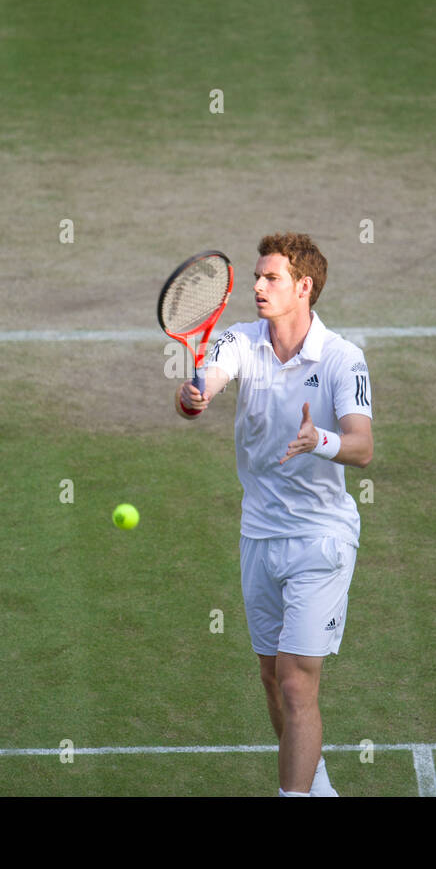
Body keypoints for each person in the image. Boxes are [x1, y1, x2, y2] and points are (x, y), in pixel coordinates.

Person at [173, 232, 373, 796]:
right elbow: (203, 385)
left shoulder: (342, 359)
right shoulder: (239, 340)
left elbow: (362, 447)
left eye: (272, 278)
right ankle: (317, 782)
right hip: (259, 535)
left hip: (321, 539)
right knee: (270, 677)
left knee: (294, 683)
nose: (258, 287)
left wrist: (321, 440)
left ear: (303, 286)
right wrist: (195, 396)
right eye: (257, 278)